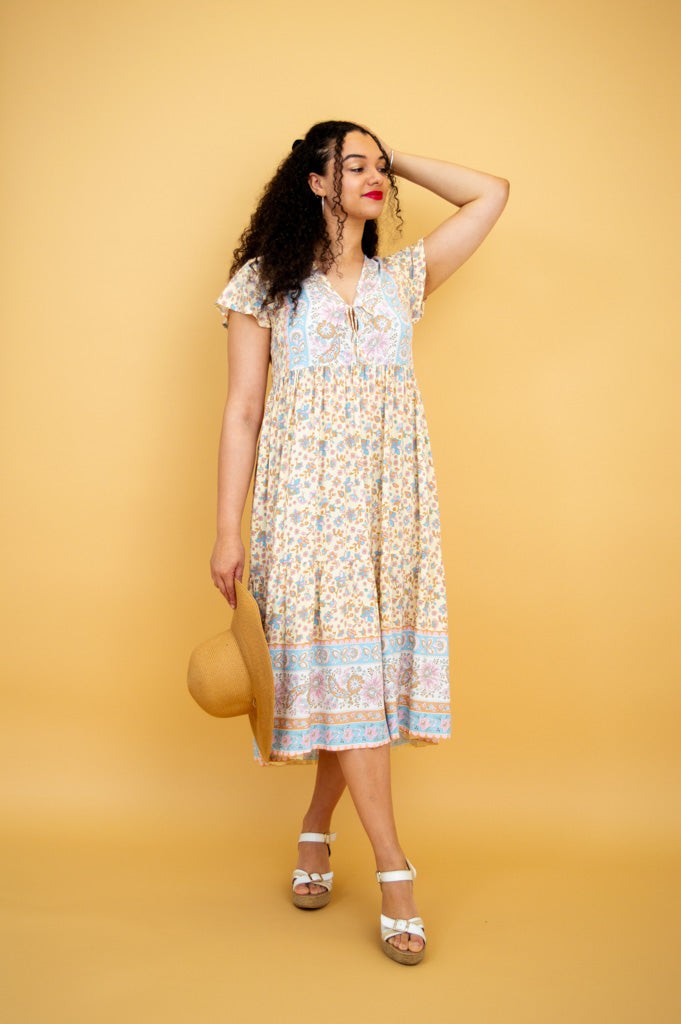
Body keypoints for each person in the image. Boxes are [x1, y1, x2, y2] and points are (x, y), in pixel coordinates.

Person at [210, 120, 508, 964]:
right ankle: (394, 871)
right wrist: (227, 529)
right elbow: (242, 410)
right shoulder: (264, 284)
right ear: (314, 182)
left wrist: (390, 150)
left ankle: (314, 828)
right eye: (353, 166)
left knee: (361, 684)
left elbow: (491, 194)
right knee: (352, 678)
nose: (374, 177)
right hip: (305, 507)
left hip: (388, 507)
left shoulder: (401, 279)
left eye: (380, 168)